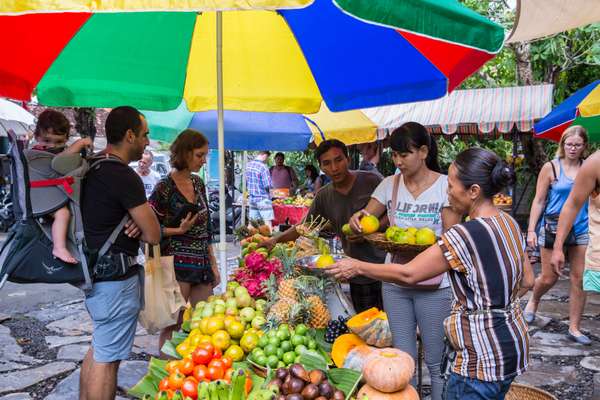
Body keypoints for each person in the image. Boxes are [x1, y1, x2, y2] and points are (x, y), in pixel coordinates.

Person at [326, 148, 534, 400]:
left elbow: (409, 274)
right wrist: (494, 308)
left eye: (451, 186)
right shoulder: (509, 222)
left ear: (474, 191)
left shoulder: (463, 235)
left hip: (480, 359)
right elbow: (528, 280)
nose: (447, 193)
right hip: (513, 346)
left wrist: (358, 266)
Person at [349, 122, 461, 400]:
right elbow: (367, 218)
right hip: (395, 282)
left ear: (423, 151)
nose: (398, 161)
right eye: (395, 155)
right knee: (401, 359)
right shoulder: (389, 184)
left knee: (436, 362)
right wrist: (357, 220)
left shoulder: (445, 186)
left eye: (404, 155)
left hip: (435, 285)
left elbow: (451, 239)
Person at [80, 106, 161, 400]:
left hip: (95, 274)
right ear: (129, 135)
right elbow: (153, 234)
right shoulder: (123, 176)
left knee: (100, 346)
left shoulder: (93, 168)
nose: (147, 142)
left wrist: (133, 220)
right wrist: (140, 223)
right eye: (145, 135)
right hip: (115, 280)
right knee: (109, 357)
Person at [262, 139, 385, 312]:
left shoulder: (372, 180)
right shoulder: (324, 196)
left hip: (387, 266)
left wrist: (373, 227)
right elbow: (305, 226)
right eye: (327, 163)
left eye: (339, 160)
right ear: (321, 167)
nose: (334, 168)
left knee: (395, 326)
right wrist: (275, 240)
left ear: (348, 160)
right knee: (368, 326)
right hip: (357, 273)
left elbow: (394, 214)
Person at [149, 129, 221, 351]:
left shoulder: (199, 184)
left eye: (205, 155)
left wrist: (214, 264)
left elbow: (207, 227)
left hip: (201, 262)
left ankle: (197, 373)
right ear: (185, 154)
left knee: (206, 323)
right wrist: (177, 230)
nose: (203, 160)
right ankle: (164, 376)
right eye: (200, 155)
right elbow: (150, 229)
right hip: (175, 266)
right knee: (173, 323)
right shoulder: (164, 187)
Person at [524, 126, 590, 344]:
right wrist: (532, 230)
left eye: (577, 145)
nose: (572, 148)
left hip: (581, 228)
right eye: (569, 144)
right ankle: (534, 298)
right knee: (550, 277)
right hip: (552, 228)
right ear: (562, 145)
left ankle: (574, 327)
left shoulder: (588, 168)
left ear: (584, 147)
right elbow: (539, 200)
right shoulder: (551, 167)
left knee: (578, 279)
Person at [28, 110, 92, 263]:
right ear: (36, 136)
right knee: (63, 214)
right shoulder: (37, 153)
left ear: (66, 139)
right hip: (40, 198)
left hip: (50, 196)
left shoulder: (55, 151)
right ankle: (59, 247)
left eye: (58, 142)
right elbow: (60, 162)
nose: (51, 146)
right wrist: (80, 143)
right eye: (47, 140)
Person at [246, 151, 274, 228]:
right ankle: (269, 240)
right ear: (264, 155)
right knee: (267, 223)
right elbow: (267, 185)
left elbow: (246, 182)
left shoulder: (248, 165)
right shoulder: (263, 167)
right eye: (267, 157)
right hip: (263, 199)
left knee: (252, 224)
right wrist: (272, 194)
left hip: (252, 199)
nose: (267, 160)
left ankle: (248, 239)